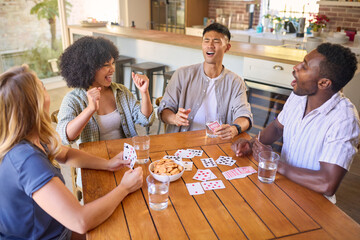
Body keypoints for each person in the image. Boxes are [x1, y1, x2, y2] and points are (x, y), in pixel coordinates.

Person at [0, 65, 143, 239]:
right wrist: (124, 188)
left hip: (57, 226)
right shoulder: (26, 159)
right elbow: (80, 221)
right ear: (34, 104)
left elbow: (66, 155)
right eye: (43, 88)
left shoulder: (33, 137)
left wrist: (108, 163)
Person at [231, 43, 360, 201]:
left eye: (305, 66)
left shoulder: (345, 120)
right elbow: (278, 128)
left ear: (324, 83)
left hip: (314, 204)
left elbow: (327, 183)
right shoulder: (299, 96)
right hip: (282, 187)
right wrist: (251, 144)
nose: (296, 67)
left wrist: (274, 163)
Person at [158, 23, 252, 139]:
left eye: (216, 41)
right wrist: (174, 118)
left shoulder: (235, 82)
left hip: (218, 142)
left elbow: (244, 115)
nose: (210, 45)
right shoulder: (182, 74)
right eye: (206, 40)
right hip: (182, 140)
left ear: (227, 47)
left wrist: (235, 128)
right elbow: (164, 110)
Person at [57, 36, 154, 145]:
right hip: (97, 160)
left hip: (126, 155)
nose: (112, 69)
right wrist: (90, 109)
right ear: (89, 68)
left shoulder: (121, 91)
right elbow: (65, 136)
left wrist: (144, 92)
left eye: (112, 63)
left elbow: (146, 120)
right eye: (106, 65)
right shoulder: (73, 99)